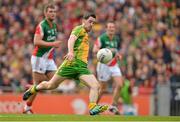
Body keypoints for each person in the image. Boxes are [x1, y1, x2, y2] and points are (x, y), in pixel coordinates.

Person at [23, 12, 108, 115]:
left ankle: (92, 107)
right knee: (51, 85)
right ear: (83, 21)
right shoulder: (79, 29)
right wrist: (71, 52)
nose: (91, 24)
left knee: (95, 85)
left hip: (81, 67)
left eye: (93, 23)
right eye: (90, 21)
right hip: (71, 65)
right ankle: (33, 89)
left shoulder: (85, 33)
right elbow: (71, 39)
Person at [23, 3, 62, 114]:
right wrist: (53, 44)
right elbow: (36, 42)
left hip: (49, 59)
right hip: (39, 58)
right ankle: (27, 108)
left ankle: (31, 89)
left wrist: (53, 45)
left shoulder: (54, 25)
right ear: (45, 13)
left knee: (55, 82)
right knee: (40, 84)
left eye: (54, 11)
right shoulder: (41, 25)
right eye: (50, 11)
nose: (53, 13)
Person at [93, 21, 124, 115]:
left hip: (114, 64)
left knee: (120, 85)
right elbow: (94, 50)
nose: (111, 29)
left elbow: (116, 50)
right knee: (103, 89)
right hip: (104, 65)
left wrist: (118, 55)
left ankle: (113, 106)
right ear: (106, 28)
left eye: (113, 27)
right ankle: (94, 107)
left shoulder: (117, 39)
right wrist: (105, 51)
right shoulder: (102, 38)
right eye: (109, 27)